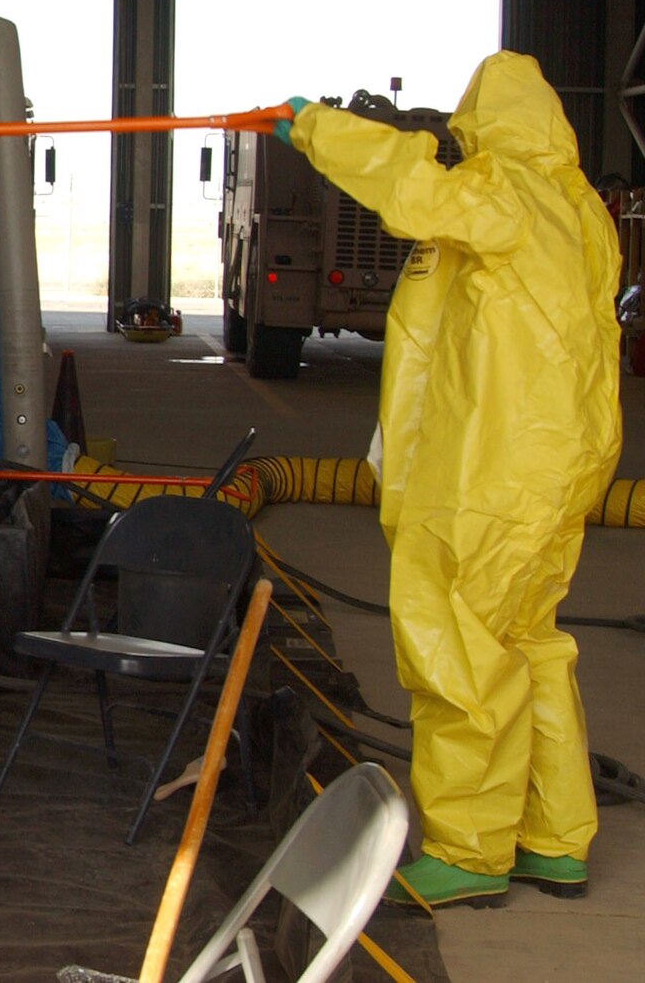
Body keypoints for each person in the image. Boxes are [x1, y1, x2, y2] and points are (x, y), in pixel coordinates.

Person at [279, 52, 621, 907]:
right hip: (550, 468)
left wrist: (315, 127)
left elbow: (412, 187)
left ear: (488, 125)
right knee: (529, 644)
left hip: (494, 470)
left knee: (457, 650)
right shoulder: (581, 210)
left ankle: (470, 852)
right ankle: (554, 837)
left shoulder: (509, 193)